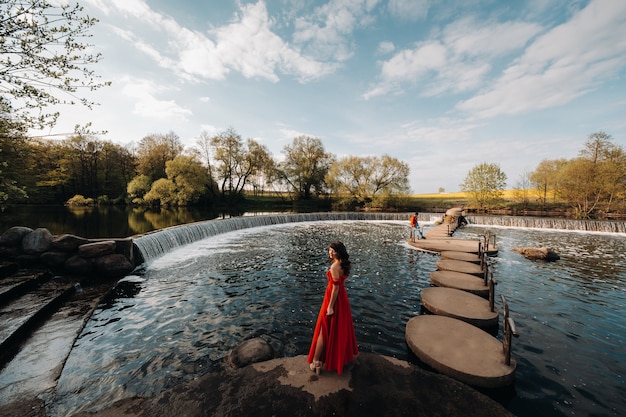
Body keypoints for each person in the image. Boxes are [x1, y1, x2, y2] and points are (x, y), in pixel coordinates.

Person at [307, 241, 358, 375]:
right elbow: (341, 283)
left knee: (324, 330)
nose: (330, 253)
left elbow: (335, 287)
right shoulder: (344, 264)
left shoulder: (334, 266)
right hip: (342, 298)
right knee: (337, 328)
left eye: (333, 251)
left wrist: (330, 306)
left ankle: (316, 361)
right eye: (329, 250)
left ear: (339, 252)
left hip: (333, 299)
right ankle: (333, 358)